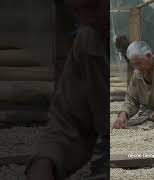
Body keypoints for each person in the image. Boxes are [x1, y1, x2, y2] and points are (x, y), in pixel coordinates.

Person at [24, 0, 107, 179]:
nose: (86, 19)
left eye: (93, 7)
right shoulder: (88, 39)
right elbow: (69, 118)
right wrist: (45, 160)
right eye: (77, 11)